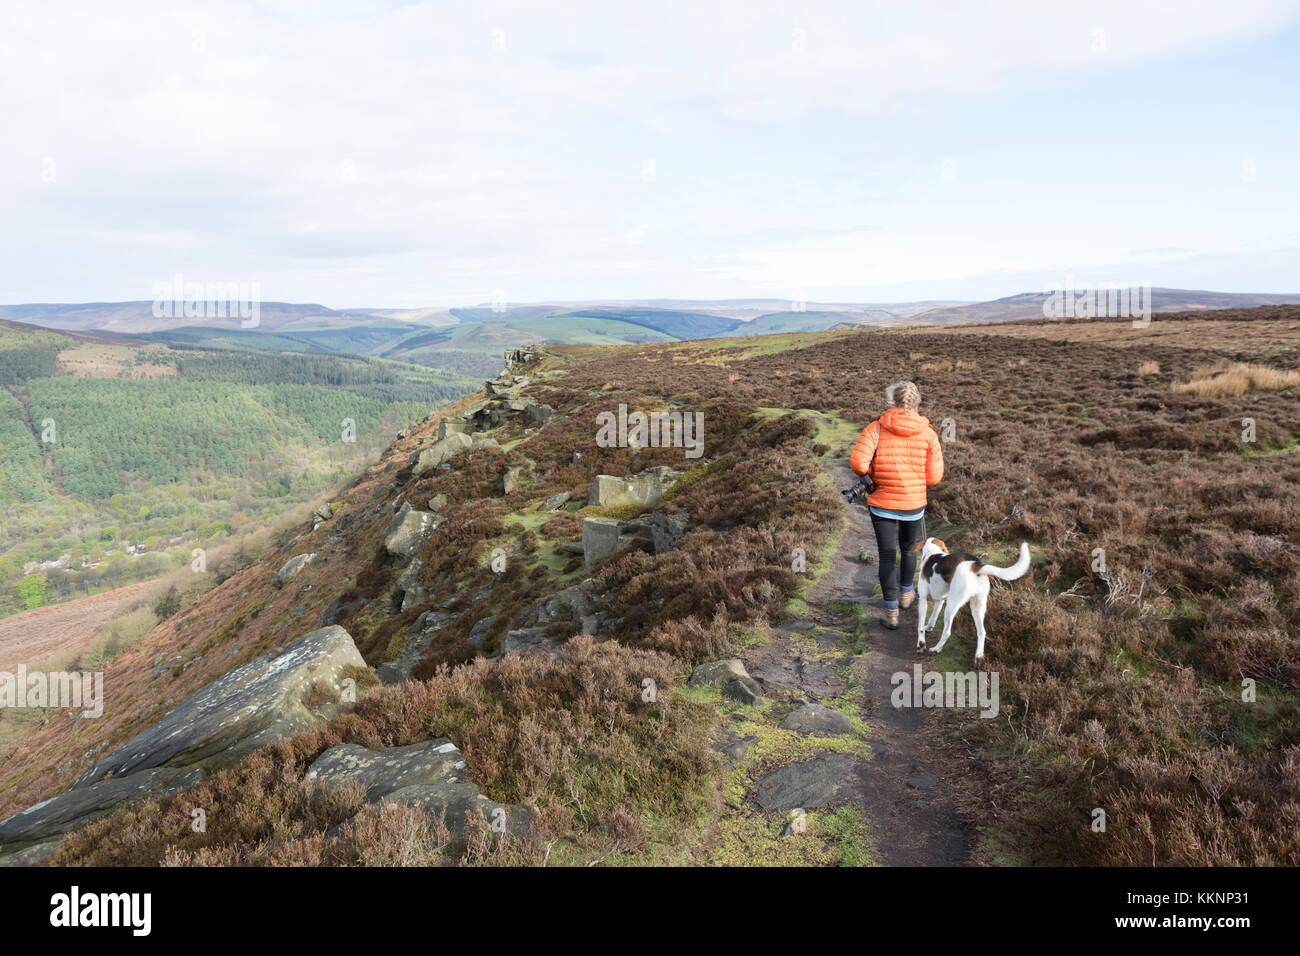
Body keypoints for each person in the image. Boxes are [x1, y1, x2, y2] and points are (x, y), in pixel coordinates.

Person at [849, 381, 944, 630]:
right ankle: (906, 594)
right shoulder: (929, 433)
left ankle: (891, 612)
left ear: (892, 401)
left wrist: (871, 472)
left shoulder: (876, 429)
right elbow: (934, 478)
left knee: (888, 556)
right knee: (909, 550)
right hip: (913, 505)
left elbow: (858, 463)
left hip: (882, 503)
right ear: (916, 403)